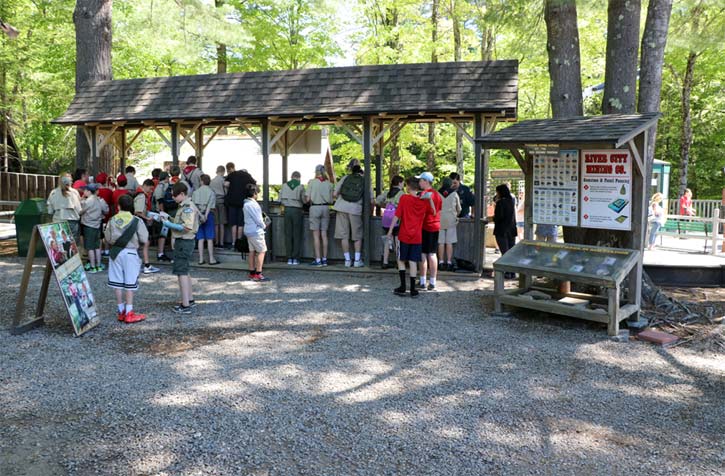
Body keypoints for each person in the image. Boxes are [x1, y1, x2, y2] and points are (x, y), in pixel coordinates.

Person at [387, 177, 437, 298]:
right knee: (413, 260)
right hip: (417, 236)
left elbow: (397, 215)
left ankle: (403, 286)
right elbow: (434, 212)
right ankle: (413, 289)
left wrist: (390, 231)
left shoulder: (404, 198)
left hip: (404, 234)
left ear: (409, 186)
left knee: (401, 259)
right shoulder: (423, 202)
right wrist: (429, 200)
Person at [106, 194, 148, 324]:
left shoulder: (112, 220)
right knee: (130, 283)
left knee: (117, 282)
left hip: (116, 253)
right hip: (130, 253)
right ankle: (129, 312)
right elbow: (144, 238)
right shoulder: (137, 220)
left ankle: (121, 311)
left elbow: (107, 238)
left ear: (118, 206)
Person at [161, 182, 200, 314]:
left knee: (181, 272)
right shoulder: (183, 205)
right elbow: (180, 222)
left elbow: (186, 227)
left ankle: (185, 305)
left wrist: (168, 224)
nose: (173, 198)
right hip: (184, 242)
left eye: (175, 196)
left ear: (182, 194)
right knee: (185, 270)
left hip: (184, 242)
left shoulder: (188, 207)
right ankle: (189, 299)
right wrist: (169, 219)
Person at [333, 161, 367, 267]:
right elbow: (370, 199)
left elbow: (334, 193)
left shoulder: (345, 178)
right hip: (355, 209)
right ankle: (357, 261)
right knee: (357, 235)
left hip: (341, 208)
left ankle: (347, 260)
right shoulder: (365, 180)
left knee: (344, 235)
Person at [417, 172, 443, 291]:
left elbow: (419, 210)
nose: (419, 183)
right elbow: (439, 210)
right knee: (432, 253)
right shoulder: (437, 195)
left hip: (424, 226)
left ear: (426, 181)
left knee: (423, 254)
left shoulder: (424, 195)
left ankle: (422, 280)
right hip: (435, 226)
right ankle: (432, 281)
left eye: (421, 180)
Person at [305, 164, 333, 266]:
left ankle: (318, 260)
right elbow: (331, 199)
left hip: (315, 207)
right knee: (324, 235)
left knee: (316, 236)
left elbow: (307, 199)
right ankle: (325, 259)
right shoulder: (329, 184)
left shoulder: (312, 183)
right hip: (326, 208)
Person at [225, 162, 257, 247]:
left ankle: (233, 242)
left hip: (232, 202)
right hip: (243, 202)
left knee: (233, 223)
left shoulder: (232, 175)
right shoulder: (247, 176)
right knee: (241, 223)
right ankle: (239, 242)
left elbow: (226, 184)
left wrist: (231, 189)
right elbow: (254, 185)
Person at [376, 175, 404, 269]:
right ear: (400, 183)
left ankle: (385, 262)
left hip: (386, 219)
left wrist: (385, 205)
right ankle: (398, 262)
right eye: (402, 182)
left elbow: (378, 200)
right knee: (397, 241)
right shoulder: (401, 193)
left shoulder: (387, 192)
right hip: (396, 220)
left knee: (387, 240)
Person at [133, 179, 161, 274]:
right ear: (145, 185)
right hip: (140, 222)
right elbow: (138, 212)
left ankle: (139, 264)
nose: (151, 191)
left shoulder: (139, 194)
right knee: (146, 242)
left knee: (139, 243)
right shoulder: (142, 196)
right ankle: (147, 265)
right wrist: (147, 218)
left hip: (137, 222)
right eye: (150, 188)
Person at [47, 173, 82, 246]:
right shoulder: (74, 193)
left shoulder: (53, 193)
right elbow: (79, 210)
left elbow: (50, 211)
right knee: (73, 245)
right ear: (70, 181)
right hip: (72, 221)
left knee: (60, 244)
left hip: (58, 220)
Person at [79, 183, 108, 273]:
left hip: (88, 226)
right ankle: (98, 265)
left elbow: (80, 211)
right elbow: (106, 210)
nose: (84, 192)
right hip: (97, 225)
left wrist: (82, 198)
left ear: (88, 191)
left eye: (85, 190)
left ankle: (92, 266)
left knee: (90, 248)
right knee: (97, 247)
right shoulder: (100, 200)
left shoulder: (88, 201)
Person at [243, 184, 269, 281]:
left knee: (251, 251)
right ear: (254, 193)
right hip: (256, 231)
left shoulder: (245, 203)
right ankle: (258, 273)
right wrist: (264, 225)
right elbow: (258, 219)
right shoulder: (253, 204)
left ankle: (251, 272)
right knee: (262, 251)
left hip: (248, 230)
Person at [192, 174, 219, 265]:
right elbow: (210, 206)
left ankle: (200, 259)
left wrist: (200, 215)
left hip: (198, 215)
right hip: (209, 215)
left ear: (202, 181)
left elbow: (194, 206)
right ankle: (211, 259)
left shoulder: (196, 192)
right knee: (210, 238)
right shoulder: (211, 192)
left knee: (200, 238)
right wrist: (205, 216)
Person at [280, 171, 306, 265]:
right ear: (299, 177)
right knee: (296, 234)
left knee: (288, 234)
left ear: (291, 177)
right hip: (297, 211)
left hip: (287, 210)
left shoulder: (284, 185)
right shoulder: (300, 186)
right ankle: (295, 258)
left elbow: (280, 199)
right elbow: (304, 200)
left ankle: (289, 258)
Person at [437, 177, 461, 272]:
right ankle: (449, 262)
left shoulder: (438, 193)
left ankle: (441, 262)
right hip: (451, 220)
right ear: (451, 184)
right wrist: (455, 214)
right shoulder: (454, 194)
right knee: (449, 242)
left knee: (441, 242)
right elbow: (459, 208)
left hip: (439, 220)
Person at [493, 184, 517, 279]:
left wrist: (493, 218)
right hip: (511, 230)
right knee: (510, 252)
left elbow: (499, 217)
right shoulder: (511, 201)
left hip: (501, 230)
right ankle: (512, 272)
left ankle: (507, 272)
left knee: (505, 252)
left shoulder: (500, 203)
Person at [152, 172, 175, 262]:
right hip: (161, 213)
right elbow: (160, 201)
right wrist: (163, 213)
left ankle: (161, 253)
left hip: (161, 213)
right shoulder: (161, 187)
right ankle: (160, 253)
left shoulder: (159, 186)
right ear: (166, 178)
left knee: (163, 233)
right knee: (163, 234)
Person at [210, 165, 227, 248]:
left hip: (214, 202)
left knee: (216, 223)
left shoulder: (212, 181)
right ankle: (221, 242)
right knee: (222, 223)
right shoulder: (223, 181)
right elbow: (226, 192)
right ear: (223, 172)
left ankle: (216, 241)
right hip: (221, 202)